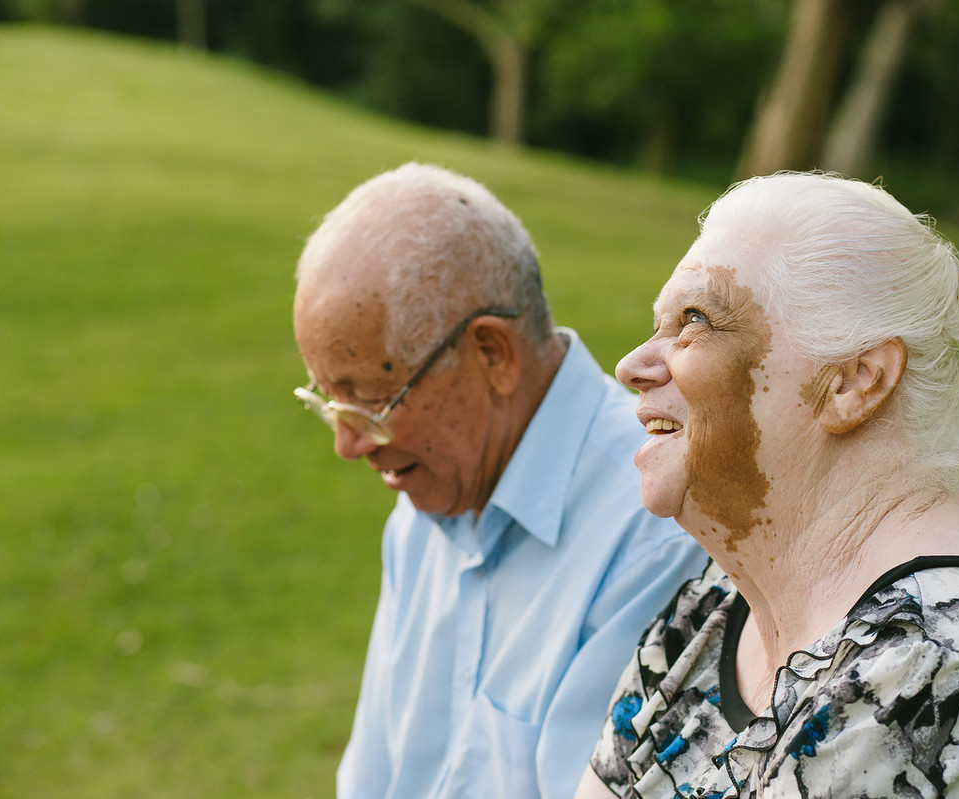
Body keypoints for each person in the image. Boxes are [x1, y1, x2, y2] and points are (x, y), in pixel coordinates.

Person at [576, 172, 959, 798]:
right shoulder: (715, 614)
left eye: (695, 320)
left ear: (854, 382)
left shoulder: (937, 678)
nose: (631, 366)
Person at [291, 162, 708, 799]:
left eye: (370, 403)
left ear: (492, 355)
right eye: (328, 404)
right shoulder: (424, 506)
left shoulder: (657, 528)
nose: (348, 445)